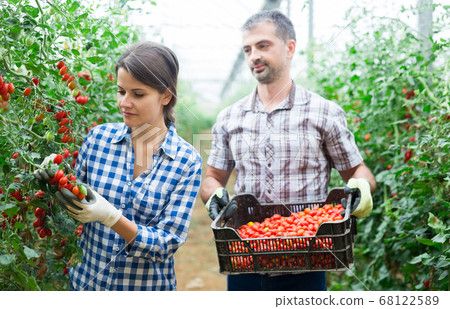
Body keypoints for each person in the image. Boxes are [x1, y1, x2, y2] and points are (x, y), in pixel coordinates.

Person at [200, 10, 376, 291]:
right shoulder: (229, 118)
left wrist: (362, 186)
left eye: (263, 45)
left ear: (290, 47)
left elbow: (357, 170)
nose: (253, 55)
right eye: (247, 49)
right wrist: (214, 196)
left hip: (310, 257)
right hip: (246, 257)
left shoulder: (324, 113)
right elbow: (213, 178)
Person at [35, 41, 202, 291]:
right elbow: (71, 205)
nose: (124, 102)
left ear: (166, 95)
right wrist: (53, 182)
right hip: (86, 286)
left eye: (138, 94)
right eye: (121, 91)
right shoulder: (98, 139)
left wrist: (112, 218)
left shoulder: (186, 161)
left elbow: (167, 242)